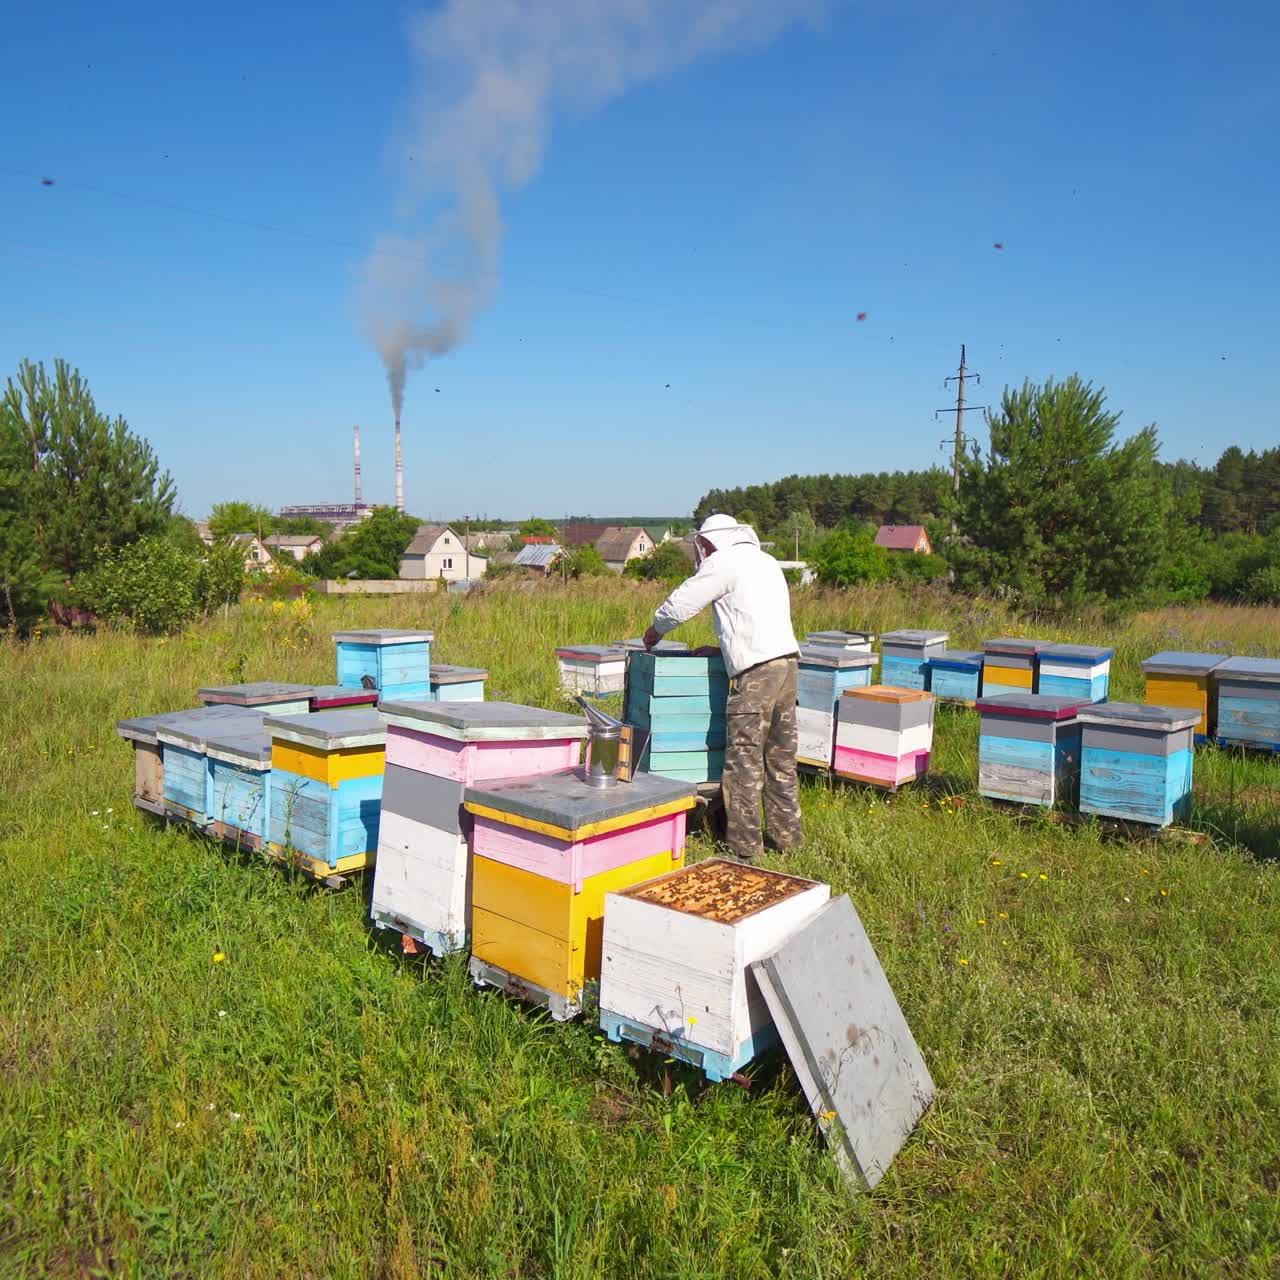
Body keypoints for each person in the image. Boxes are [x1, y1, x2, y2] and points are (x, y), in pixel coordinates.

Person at [642, 513, 802, 862]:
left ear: (709, 542)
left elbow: (683, 601)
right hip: (787, 666)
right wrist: (724, 651)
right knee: (781, 760)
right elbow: (757, 619)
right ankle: (788, 840)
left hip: (757, 675)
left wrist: (656, 629)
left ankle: (745, 850)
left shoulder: (724, 561)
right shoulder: (766, 562)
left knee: (743, 760)